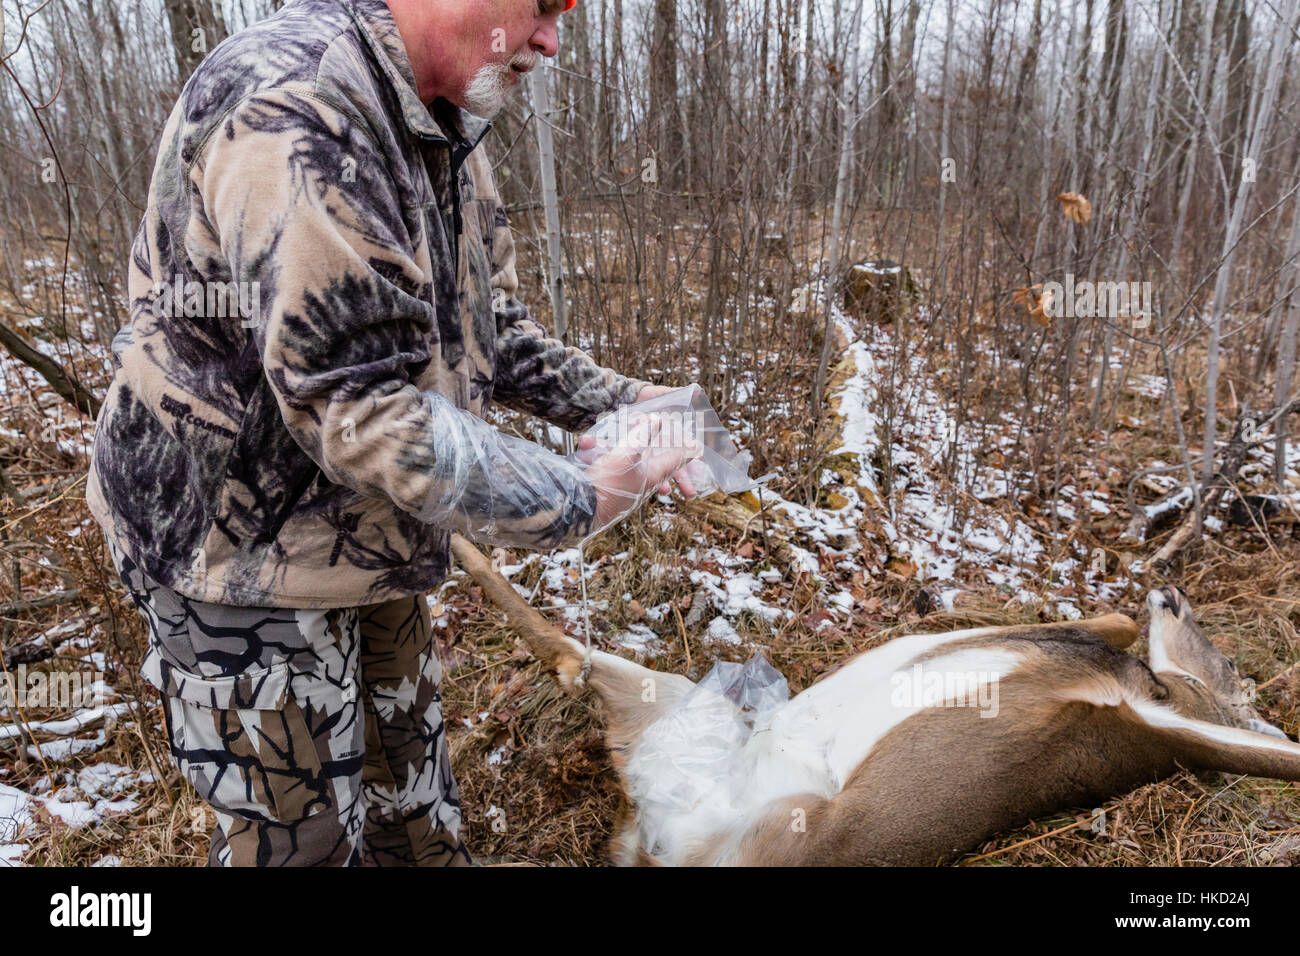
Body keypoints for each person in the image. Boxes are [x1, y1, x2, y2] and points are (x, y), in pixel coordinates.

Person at [87, 0, 694, 866]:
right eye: (543, 5)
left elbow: (491, 333)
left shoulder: (439, 118)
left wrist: (629, 401)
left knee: (414, 811)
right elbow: (359, 404)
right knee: (303, 841)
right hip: (235, 552)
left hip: (363, 529)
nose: (554, 40)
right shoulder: (295, 107)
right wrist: (581, 495)